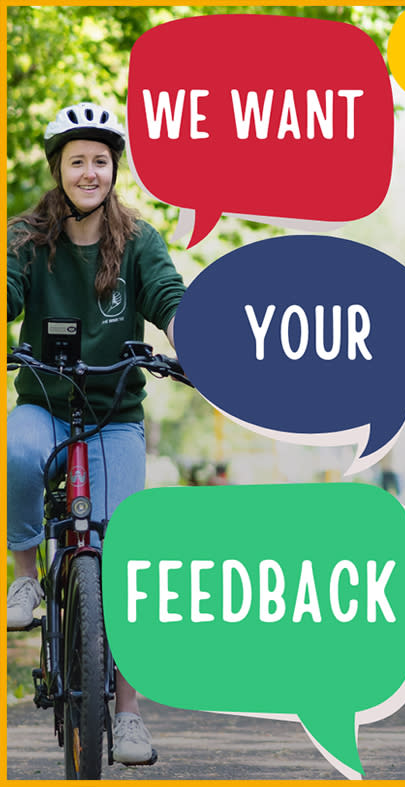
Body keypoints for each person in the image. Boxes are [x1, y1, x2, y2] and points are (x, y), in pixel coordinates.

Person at [6, 102, 186, 764]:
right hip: (45, 404)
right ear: (59, 168)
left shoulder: (137, 240)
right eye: (77, 160)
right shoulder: (27, 236)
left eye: (100, 161)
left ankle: (131, 713)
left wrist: (189, 335)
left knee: (124, 553)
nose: (89, 171)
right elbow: (7, 288)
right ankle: (25, 574)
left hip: (113, 413)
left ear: (114, 171)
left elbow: (168, 294)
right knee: (19, 452)